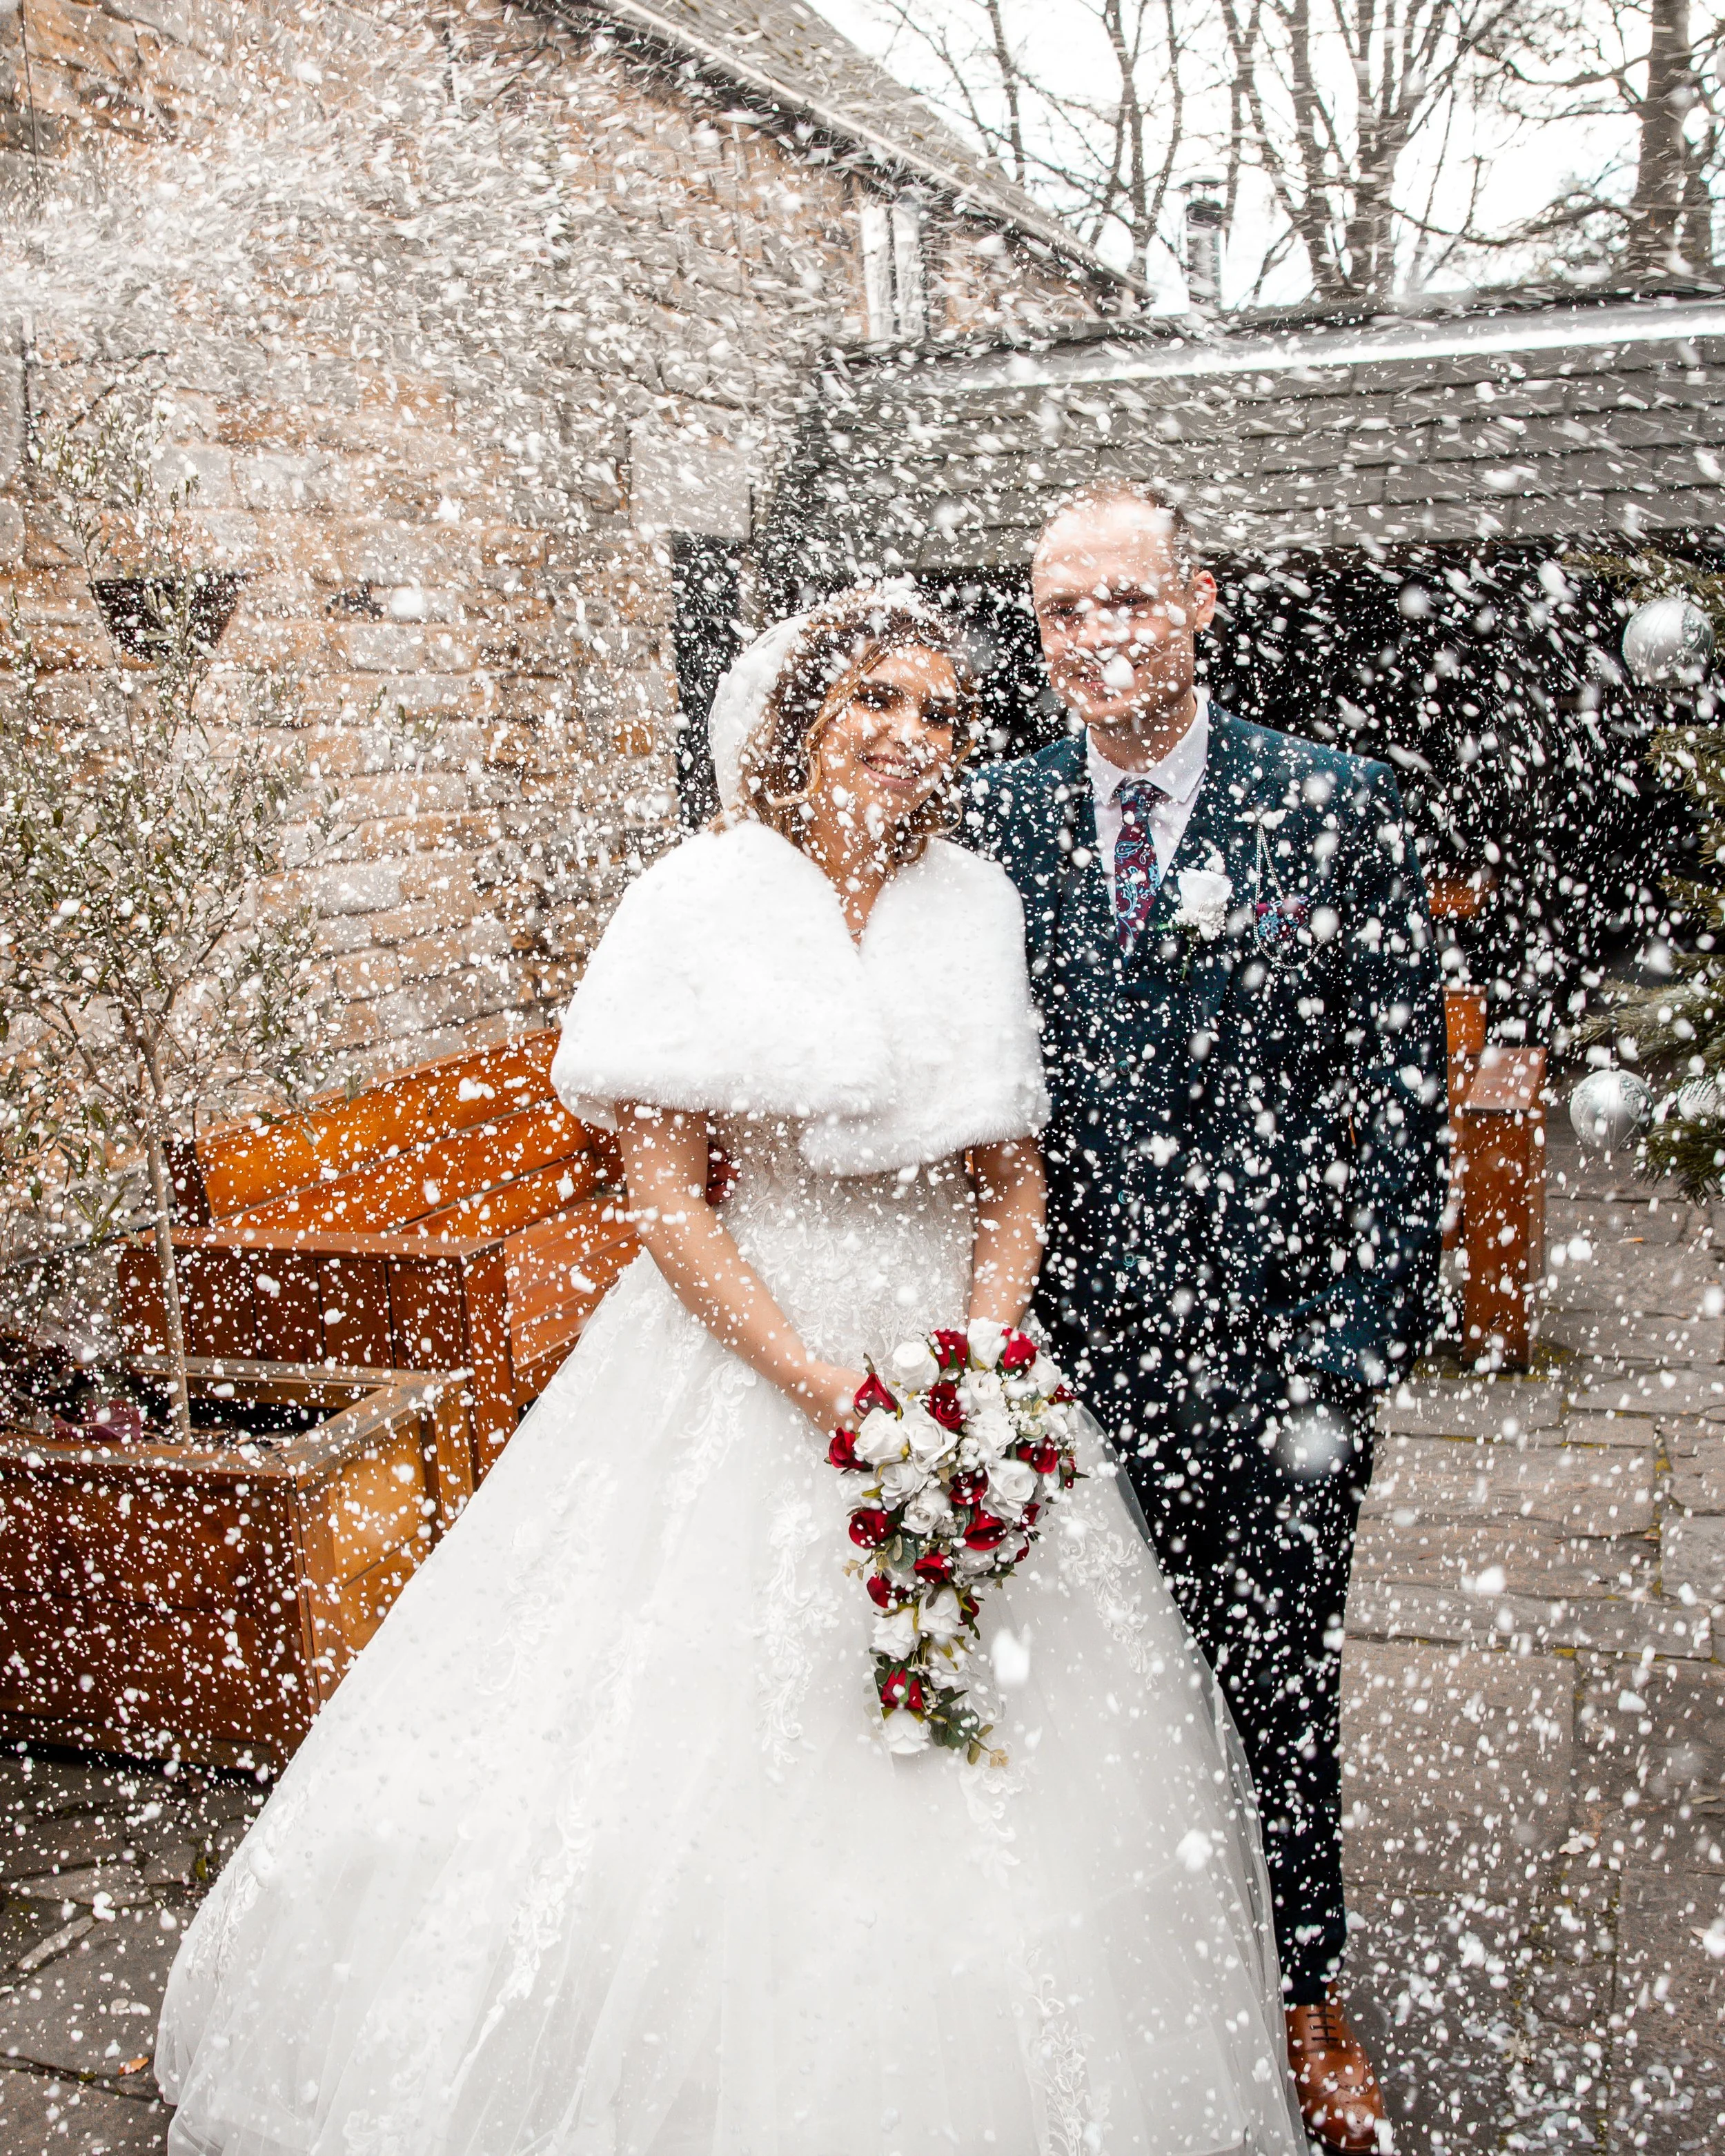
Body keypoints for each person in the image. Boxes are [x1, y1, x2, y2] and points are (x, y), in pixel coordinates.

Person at [155, 586, 1304, 2156]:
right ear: (798, 719)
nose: (910, 734)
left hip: (944, 1356)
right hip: (746, 1345)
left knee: (1002, 1726)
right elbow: (664, 1199)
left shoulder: (973, 903)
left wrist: (979, 1366)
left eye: (939, 711)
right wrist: (820, 1384)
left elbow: (1012, 1178)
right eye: (875, 698)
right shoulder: (697, 899)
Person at [974, 484, 1446, 2154]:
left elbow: (1397, 1108)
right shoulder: (993, 822)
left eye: (1127, 597)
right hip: (1067, 1367)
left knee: (1274, 1681)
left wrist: (1339, 1355)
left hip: (1272, 1365)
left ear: (1200, 599)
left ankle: (1303, 1991)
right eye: (1062, 611)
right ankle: (1122, 1990)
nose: (1097, 636)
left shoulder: (1333, 805)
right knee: (1084, 1691)